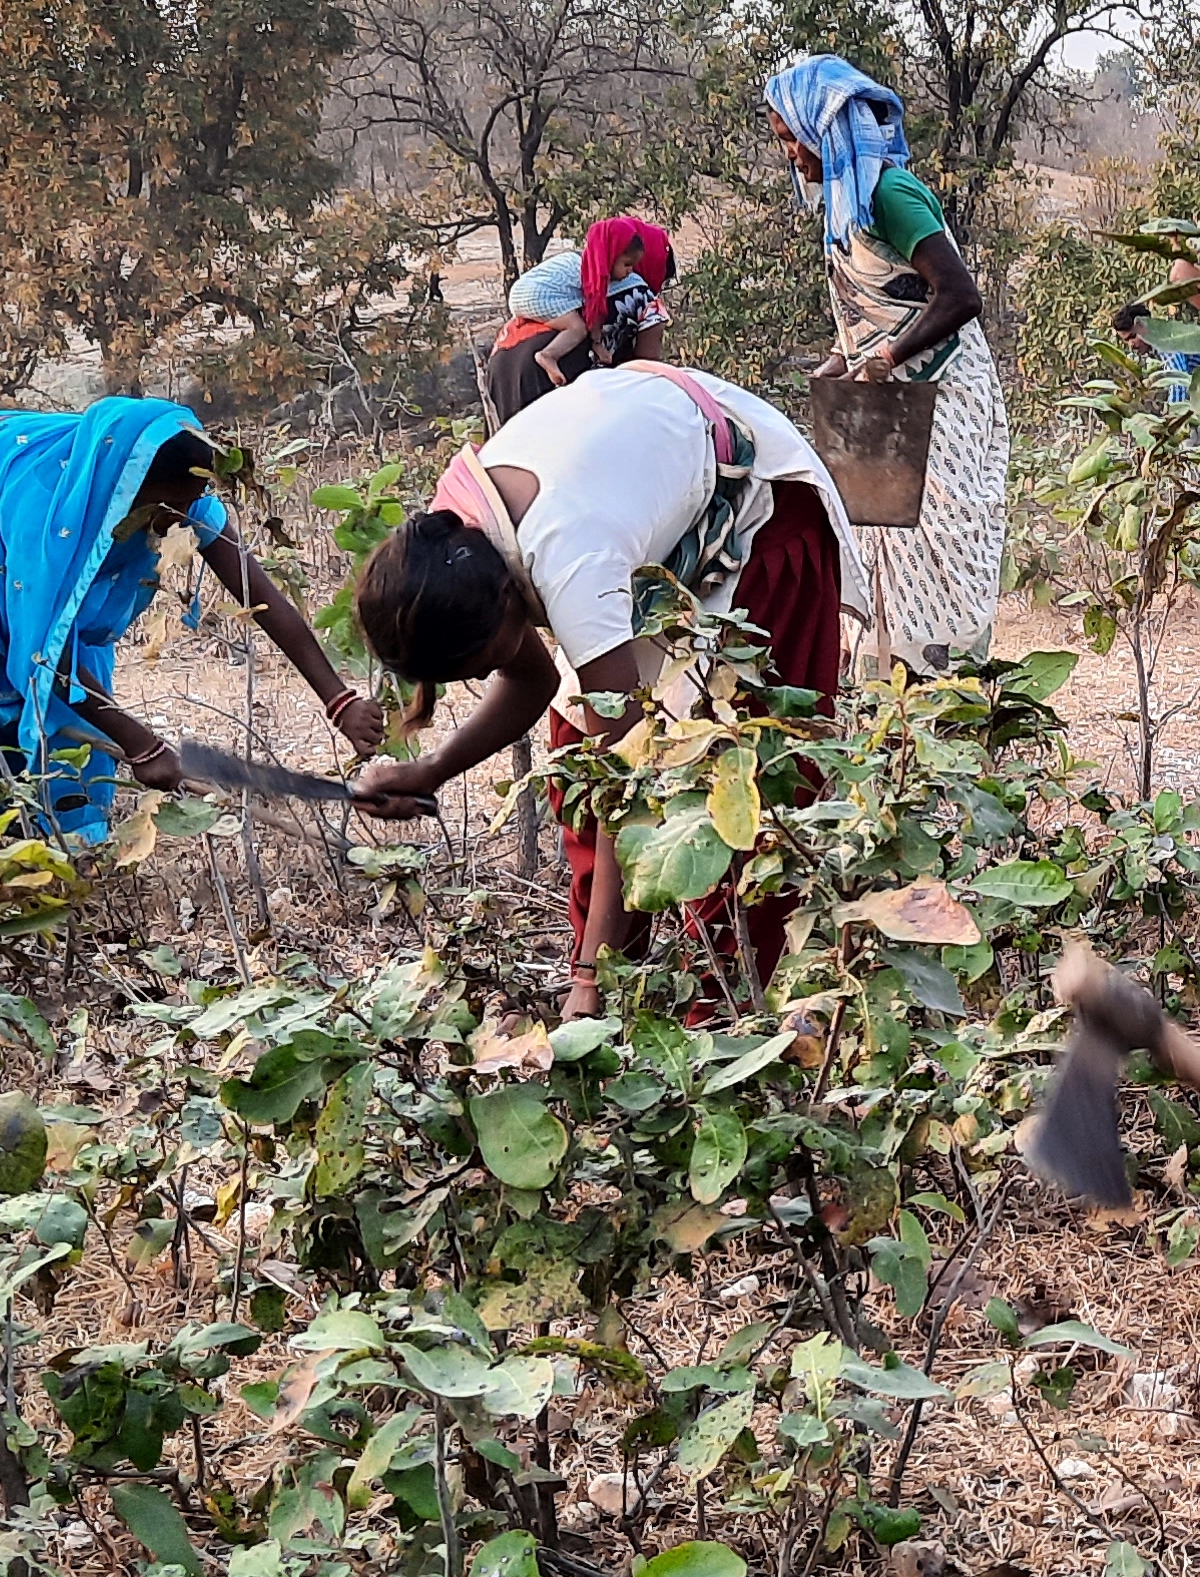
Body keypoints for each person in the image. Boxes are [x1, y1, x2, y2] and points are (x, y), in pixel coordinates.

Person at [349, 358, 862, 1014]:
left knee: (741, 793)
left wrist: (586, 979)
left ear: (513, 596)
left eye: (481, 661)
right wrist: (433, 770)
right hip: (651, 519)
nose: (484, 677)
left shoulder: (568, 558)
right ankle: (625, 996)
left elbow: (629, 791)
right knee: (579, 777)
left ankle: (728, 1020)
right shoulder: (454, 540)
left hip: (756, 516)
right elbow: (536, 681)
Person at [0, 397, 380, 838]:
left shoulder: (181, 493)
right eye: (163, 509)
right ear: (121, 488)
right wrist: (141, 744)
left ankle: (63, 837)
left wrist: (340, 701)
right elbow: (44, 651)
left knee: (77, 667)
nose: (175, 521)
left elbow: (259, 592)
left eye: (187, 506)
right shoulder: (46, 512)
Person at [763, 55, 1005, 662]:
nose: (791, 153)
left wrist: (887, 356)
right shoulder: (846, 209)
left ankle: (949, 699)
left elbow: (959, 296)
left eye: (793, 135)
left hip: (941, 395)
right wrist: (844, 359)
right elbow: (886, 304)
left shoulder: (891, 193)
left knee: (942, 545)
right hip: (882, 400)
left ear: (824, 127)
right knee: (877, 542)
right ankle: (891, 708)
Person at [480, 216, 674, 428]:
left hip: (501, 366)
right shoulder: (645, 299)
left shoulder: (583, 277)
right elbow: (647, 370)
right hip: (549, 380)